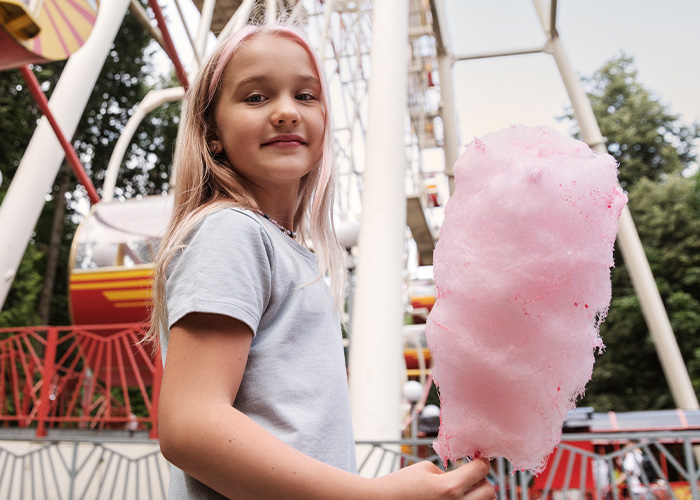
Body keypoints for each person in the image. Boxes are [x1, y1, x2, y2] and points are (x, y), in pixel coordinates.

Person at [145, 22, 495, 500]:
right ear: (211, 135)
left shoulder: (293, 252)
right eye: (255, 98)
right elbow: (190, 426)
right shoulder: (230, 231)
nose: (286, 112)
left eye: (306, 96)